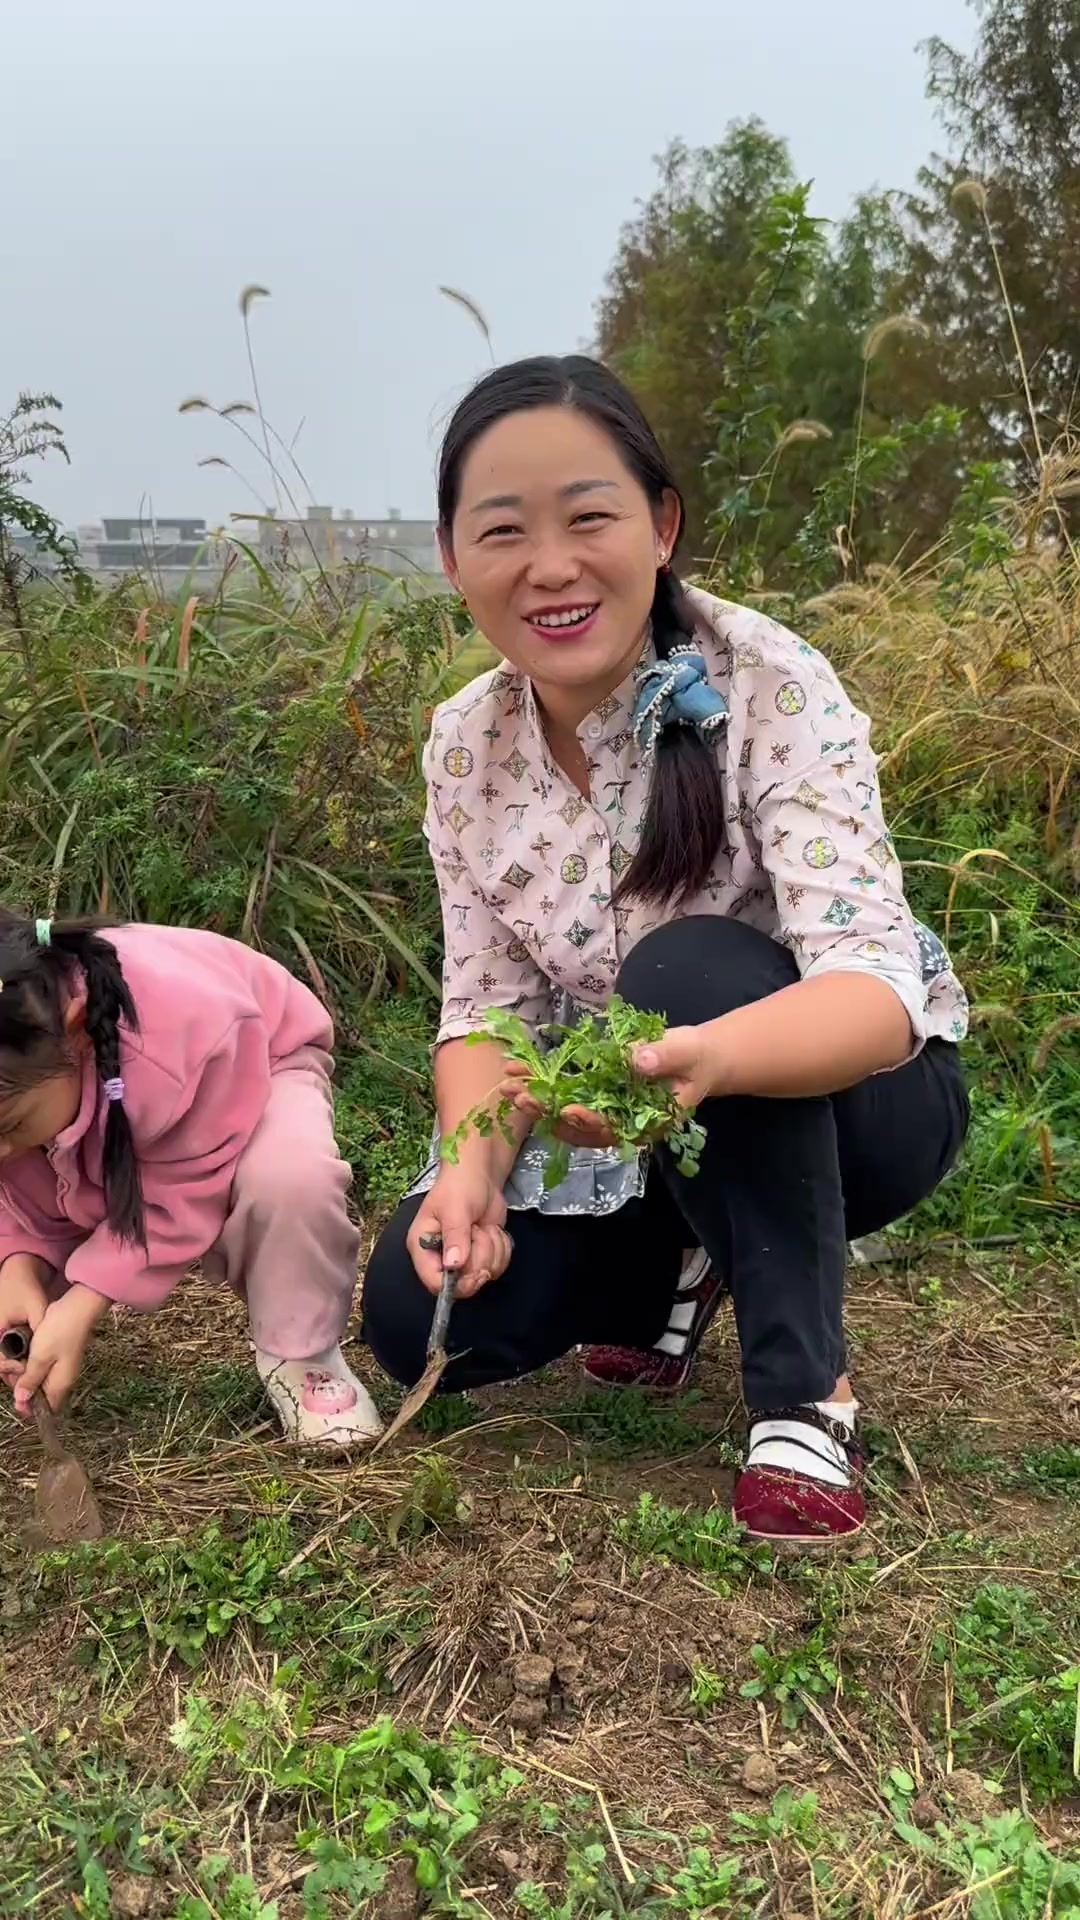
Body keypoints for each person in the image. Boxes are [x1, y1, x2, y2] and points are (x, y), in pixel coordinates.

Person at [362, 355, 969, 1542]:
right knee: (411, 1310)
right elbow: (485, 1007)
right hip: (647, 1126)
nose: (550, 566)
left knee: (687, 970)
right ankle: (684, 1273)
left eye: (589, 518)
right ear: (451, 556)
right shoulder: (464, 746)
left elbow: (875, 992)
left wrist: (711, 1057)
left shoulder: (771, 682)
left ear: (662, 524)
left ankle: (804, 1395)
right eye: (502, 532)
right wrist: (474, 1179)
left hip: (865, 1106)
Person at [0, 914, 382, 1446]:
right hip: (93, 1089)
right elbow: (14, 1184)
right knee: (30, 1151)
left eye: (10, 1123)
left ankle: (304, 1354)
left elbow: (180, 1190)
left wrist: (85, 1300)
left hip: (253, 1066)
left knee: (291, 1179)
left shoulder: (167, 1044)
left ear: (77, 1029)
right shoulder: (28, 1073)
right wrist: (17, 1261)